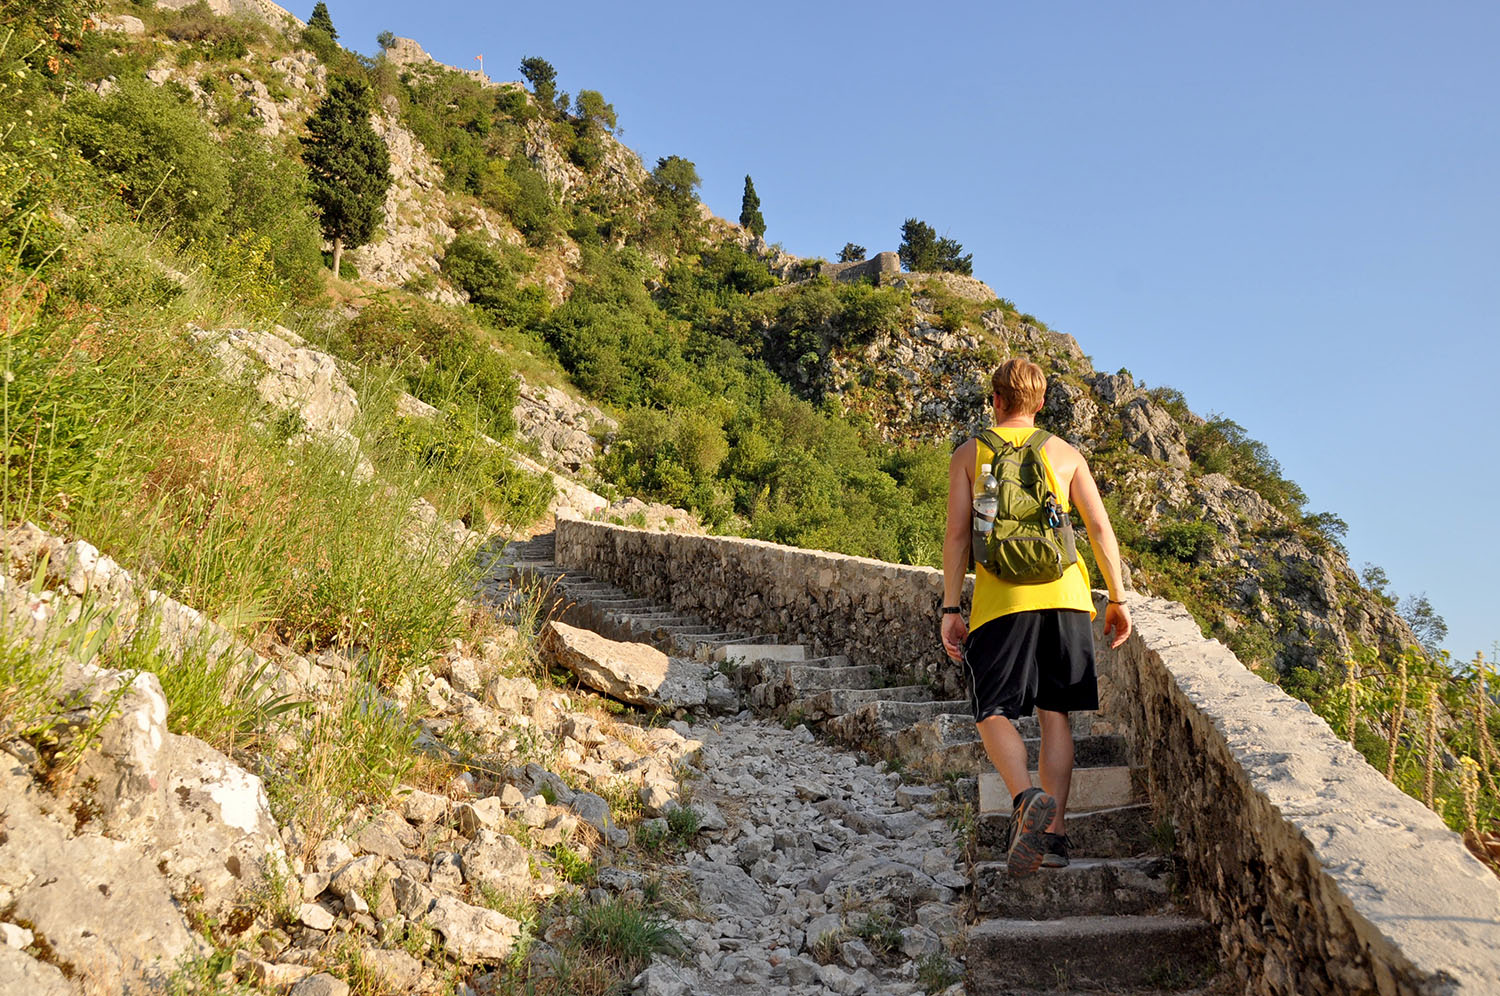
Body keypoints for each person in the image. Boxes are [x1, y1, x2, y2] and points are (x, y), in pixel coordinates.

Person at [940, 358, 1132, 877]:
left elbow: (959, 537)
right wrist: (1117, 597)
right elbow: (1098, 527)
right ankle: (1055, 838)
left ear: (995, 401)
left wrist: (951, 607)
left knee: (992, 711)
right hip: (1067, 596)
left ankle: (1025, 798)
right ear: (1041, 403)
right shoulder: (1066, 454)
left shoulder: (969, 452)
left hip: (1002, 602)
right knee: (1055, 715)